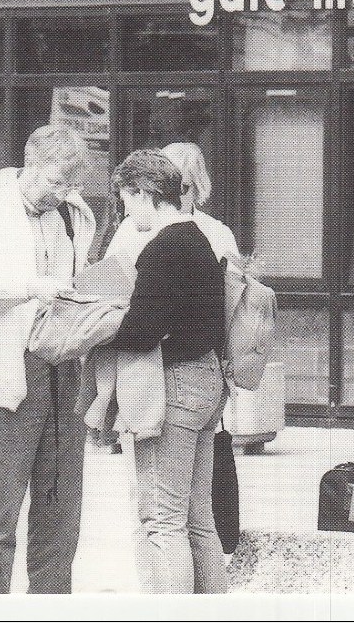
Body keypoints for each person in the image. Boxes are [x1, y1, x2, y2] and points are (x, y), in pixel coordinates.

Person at [0, 125, 96, 593]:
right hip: (8, 364)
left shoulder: (70, 212)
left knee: (61, 506)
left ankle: (49, 612)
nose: (62, 194)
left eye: (71, 186)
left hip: (64, 363)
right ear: (29, 164)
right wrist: (31, 290)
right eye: (54, 183)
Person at [110, 150, 229, 594]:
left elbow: (143, 330)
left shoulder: (160, 248)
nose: (125, 212)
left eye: (125, 201)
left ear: (143, 193)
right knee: (199, 522)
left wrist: (93, 329)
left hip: (174, 385)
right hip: (207, 381)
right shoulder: (198, 238)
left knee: (162, 521)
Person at [107, 141, 239, 268]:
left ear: (198, 186)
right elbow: (105, 275)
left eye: (182, 187)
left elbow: (236, 284)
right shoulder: (130, 226)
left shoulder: (218, 233)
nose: (172, 193)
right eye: (165, 185)